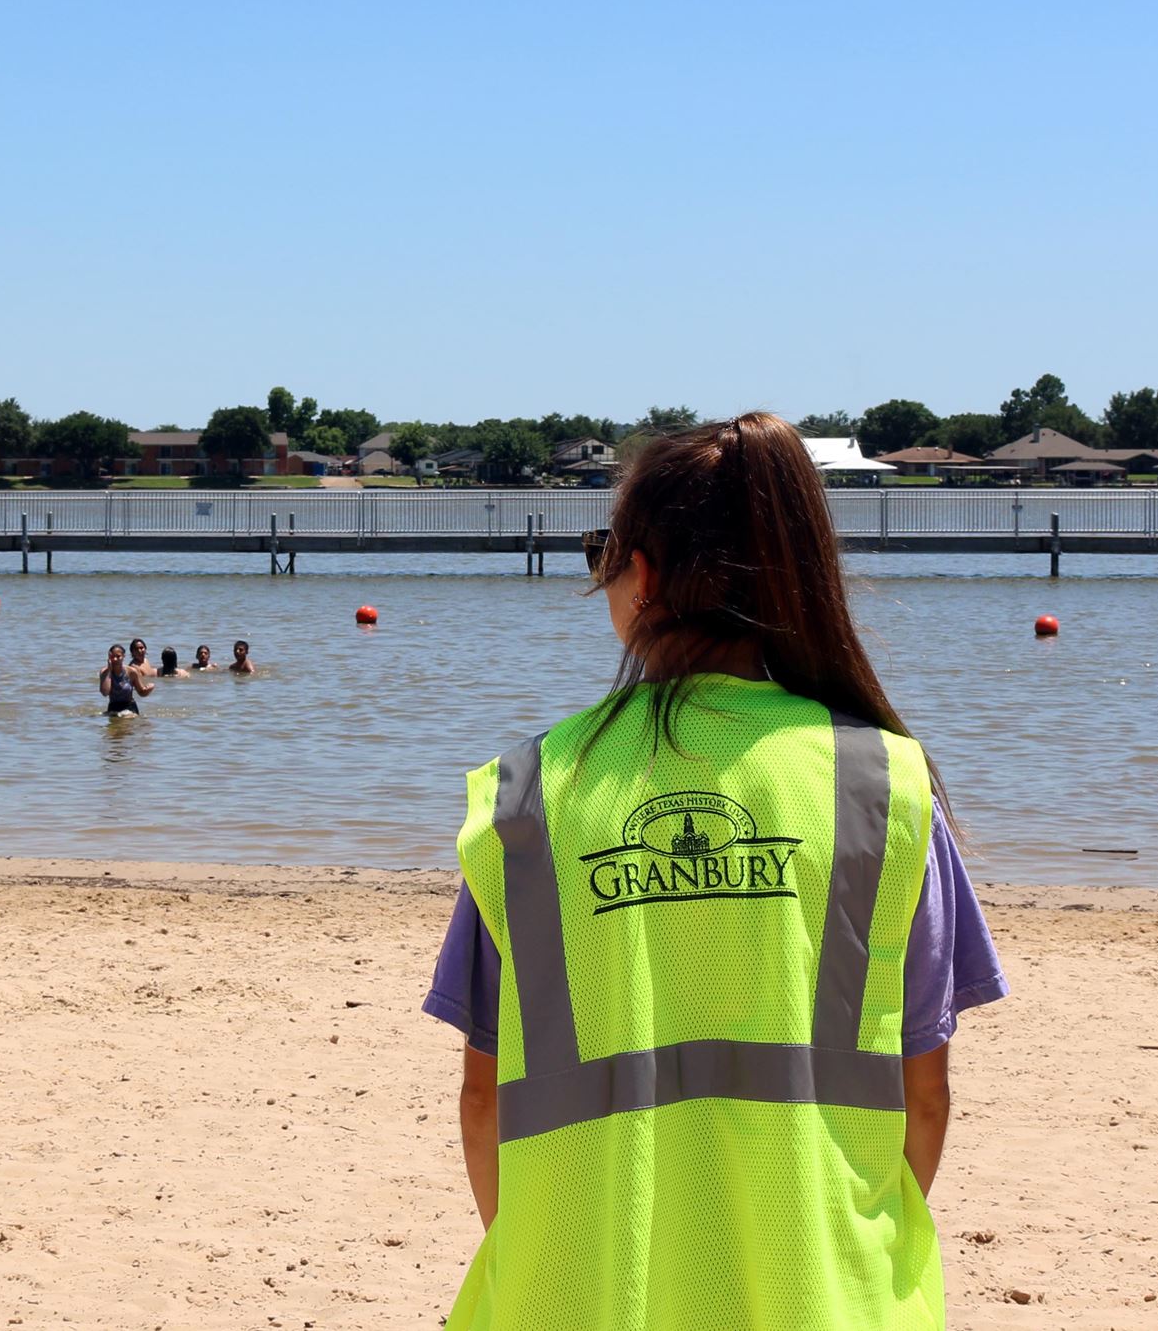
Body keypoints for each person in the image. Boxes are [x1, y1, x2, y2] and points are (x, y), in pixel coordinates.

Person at [422, 412, 1005, 1330]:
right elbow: (923, 1098)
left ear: (640, 575)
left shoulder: (530, 796)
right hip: (824, 1297)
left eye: (602, 551)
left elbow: (481, 1100)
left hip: (573, 1296)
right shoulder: (882, 786)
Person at [98, 645, 152, 716]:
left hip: (129, 707)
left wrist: (149, 688)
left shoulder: (131, 672)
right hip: (113, 707)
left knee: (126, 718)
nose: (115, 659)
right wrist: (109, 670)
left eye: (118, 656)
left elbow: (141, 692)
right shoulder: (104, 672)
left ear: (123, 656)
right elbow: (105, 692)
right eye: (112, 657)